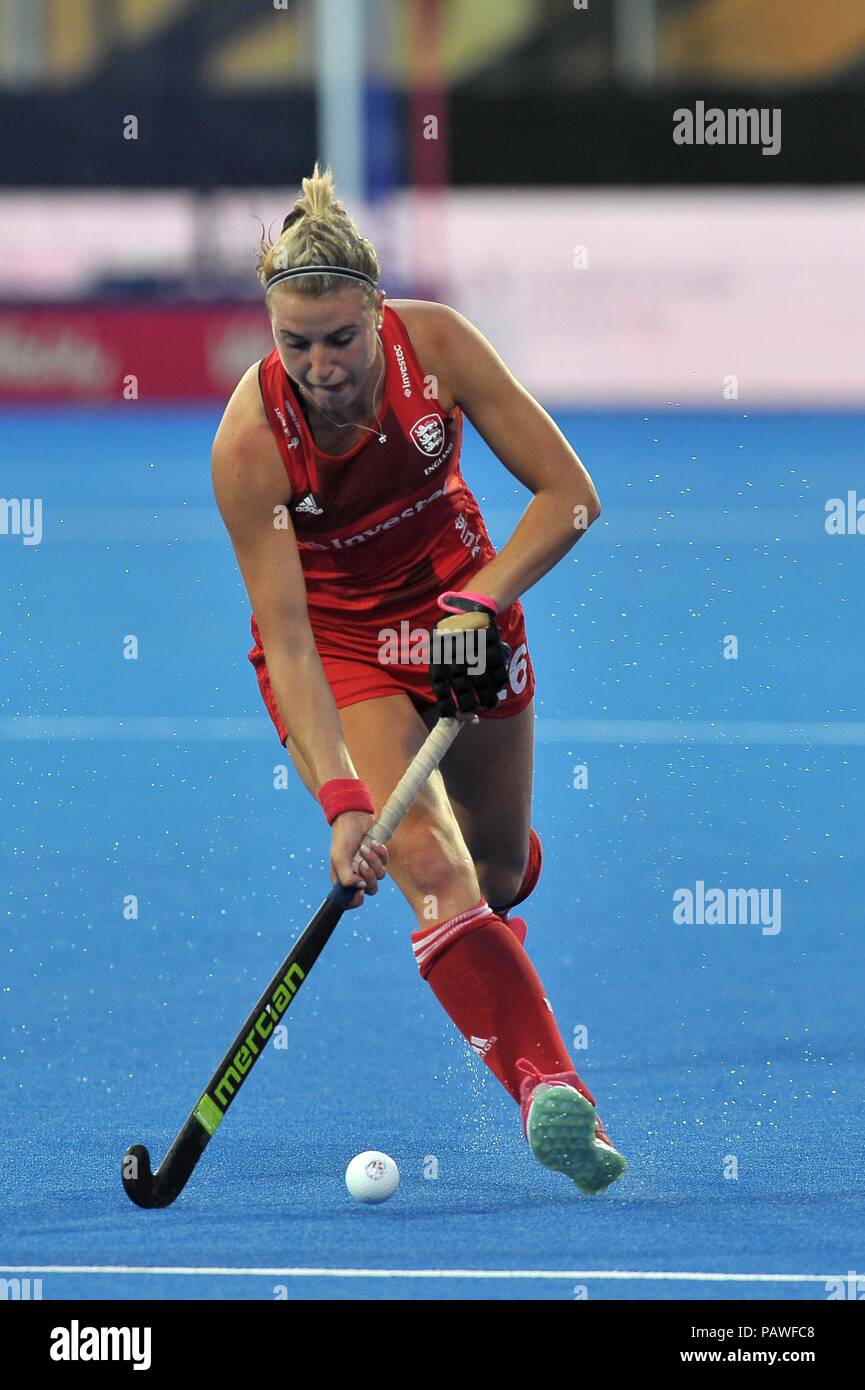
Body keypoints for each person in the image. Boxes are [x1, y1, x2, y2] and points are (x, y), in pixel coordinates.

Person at [211, 164, 627, 1195]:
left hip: (460, 613)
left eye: (340, 339)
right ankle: (548, 1089)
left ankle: (494, 908)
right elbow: (291, 642)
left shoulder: (434, 346)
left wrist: (479, 601)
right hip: (347, 648)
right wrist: (344, 804)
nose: (321, 365)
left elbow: (569, 496)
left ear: (377, 314)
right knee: (432, 875)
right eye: (293, 343)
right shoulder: (251, 444)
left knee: (493, 874)